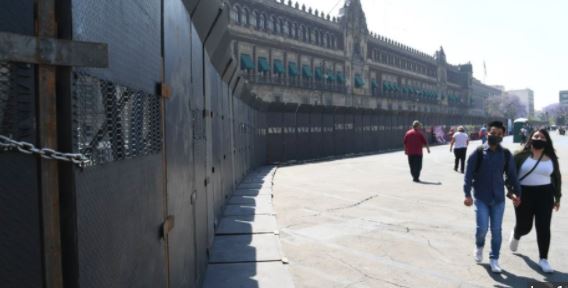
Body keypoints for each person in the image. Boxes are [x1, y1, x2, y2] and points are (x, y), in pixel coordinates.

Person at [463, 121, 522, 273]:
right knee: (482, 228)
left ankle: (494, 258)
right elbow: (468, 175)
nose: (495, 136)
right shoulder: (478, 152)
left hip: (498, 199)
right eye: (493, 133)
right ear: (487, 133)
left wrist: (517, 193)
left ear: (503, 136)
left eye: (499, 134)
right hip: (481, 197)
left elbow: (512, 176)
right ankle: (479, 245)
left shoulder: (506, 154)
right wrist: (467, 194)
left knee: (496, 231)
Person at [508, 129, 562, 273]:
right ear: (530, 138)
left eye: (542, 137)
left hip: (545, 195)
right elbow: (509, 176)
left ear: (546, 140)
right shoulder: (519, 156)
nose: (538, 138)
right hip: (524, 194)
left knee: (543, 227)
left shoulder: (551, 157)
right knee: (525, 226)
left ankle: (543, 259)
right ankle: (516, 233)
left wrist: (557, 198)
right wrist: (512, 193)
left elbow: (557, 177)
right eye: (536, 136)